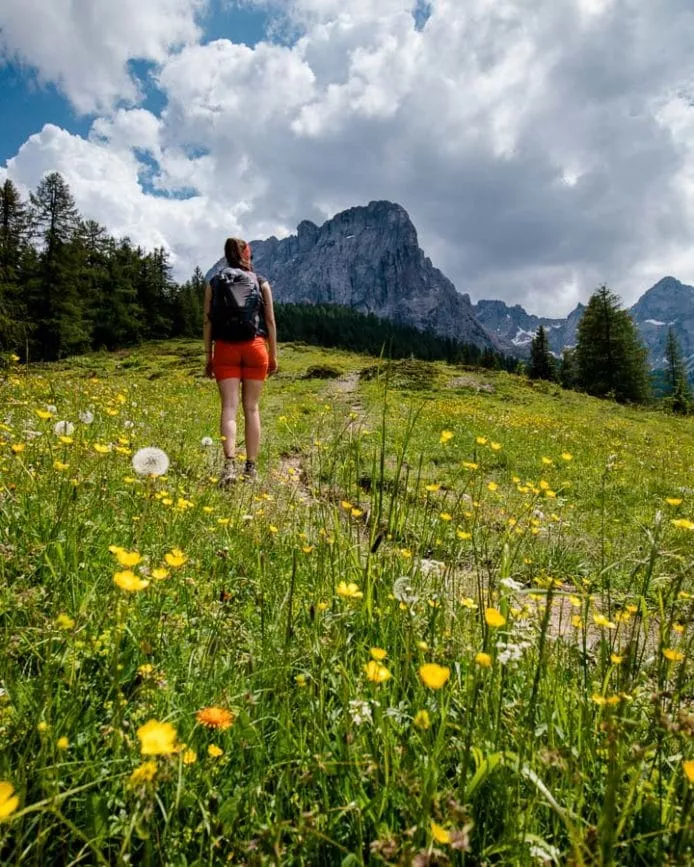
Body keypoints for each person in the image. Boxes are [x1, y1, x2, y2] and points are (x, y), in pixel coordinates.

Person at [204, 237, 277, 484]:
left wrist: (208, 356)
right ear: (247, 255)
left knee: (229, 409)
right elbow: (269, 321)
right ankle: (251, 468)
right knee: (252, 408)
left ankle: (229, 467)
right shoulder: (260, 281)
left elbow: (208, 322)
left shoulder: (215, 282)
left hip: (225, 348)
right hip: (256, 347)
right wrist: (273, 355)